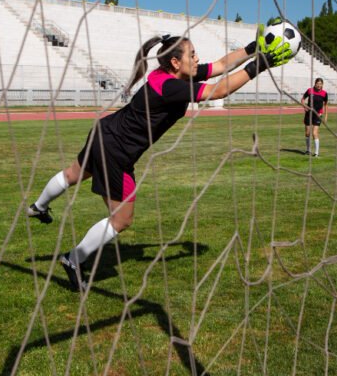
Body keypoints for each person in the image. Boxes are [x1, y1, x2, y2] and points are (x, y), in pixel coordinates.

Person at [26, 29, 293, 291]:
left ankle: (38, 206)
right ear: (175, 62)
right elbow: (219, 90)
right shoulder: (171, 87)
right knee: (121, 219)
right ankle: (73, 259)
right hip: (116, 150)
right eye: (192, 54)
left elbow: (221, 65)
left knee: (72, 174)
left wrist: (252, 48)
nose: (197, 59)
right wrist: (260, 65)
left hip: (104, 131)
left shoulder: (168, 75)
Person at [302, 77, 328, 157]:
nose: (319, 85)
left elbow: (325, 105)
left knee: (314, 133)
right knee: (307, 133)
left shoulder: (324, 93)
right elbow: (302, 99)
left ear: (322, 85)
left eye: (320, 84)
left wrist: (326, 116)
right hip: (309, 114)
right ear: (315, 84)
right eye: (317, 83)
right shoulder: (310, 90)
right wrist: (305, 106)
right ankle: (308, 150)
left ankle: (316, 153)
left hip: (318, 115)